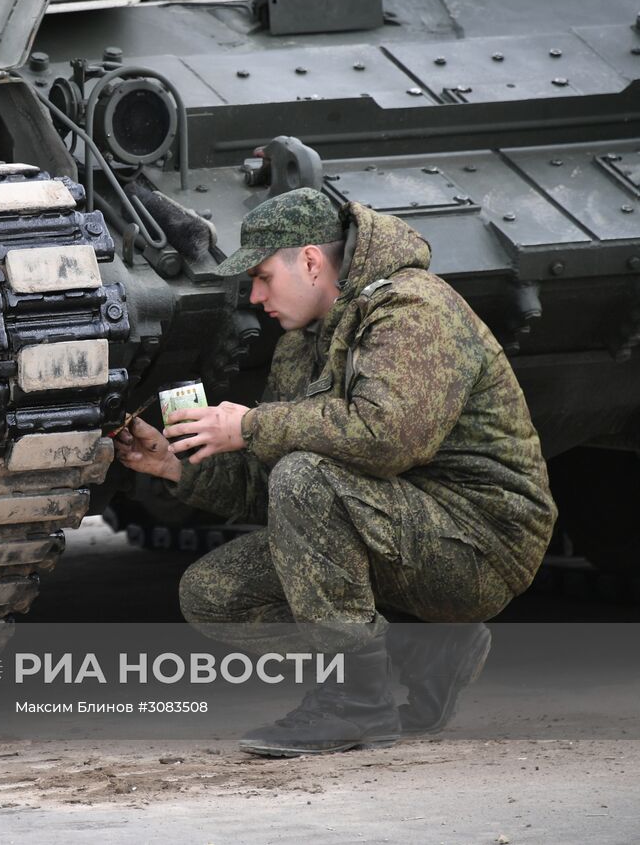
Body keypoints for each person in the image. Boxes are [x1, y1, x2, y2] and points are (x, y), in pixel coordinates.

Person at [114, 187, 556, 757]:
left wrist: (250, 427)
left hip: (481, 540)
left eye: (263, 276)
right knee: (215, 596)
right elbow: (278, 489)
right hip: (393, 522)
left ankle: (356, 704)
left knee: (306, 474)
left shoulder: (414, 309)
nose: (254, 295)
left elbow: (386, 437)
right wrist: (177, 467)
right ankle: (425, 650)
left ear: (311, 261)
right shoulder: (302, 343)